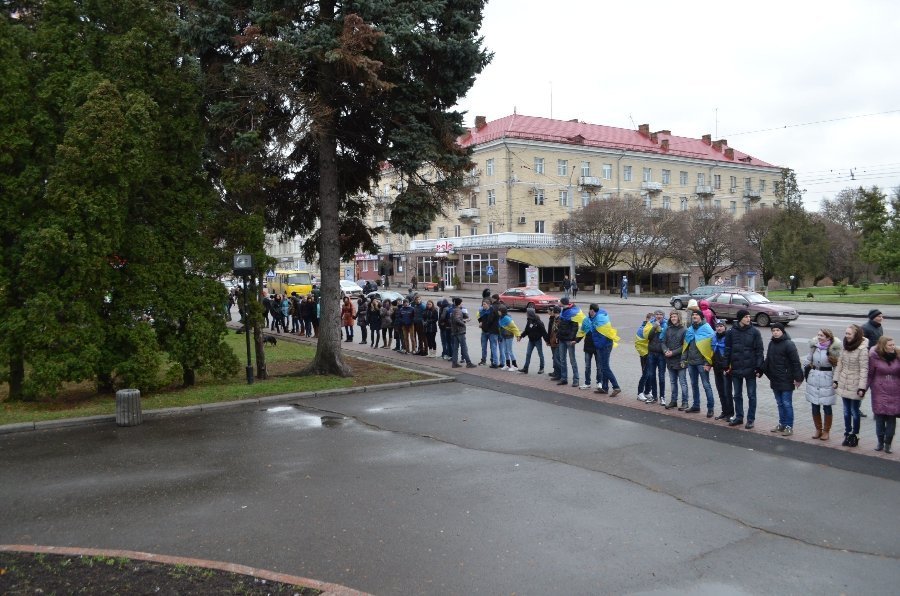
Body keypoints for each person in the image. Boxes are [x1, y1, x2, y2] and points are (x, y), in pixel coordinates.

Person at [762, 323, 804, 436]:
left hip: (786, 379)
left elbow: (796, 362)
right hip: (775, 379)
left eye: (777, 330)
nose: (775, 332)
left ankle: (789, 426)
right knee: (779, 403)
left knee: (786, 403)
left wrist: (798, 378)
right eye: (773, 330)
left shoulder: (789, 344)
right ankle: (782, 424)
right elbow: (768, 360)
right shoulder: (771, 343)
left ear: (782, 331)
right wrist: (762, 370)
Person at [727, 309, 765, 429]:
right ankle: (739, 417)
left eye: (749, 316)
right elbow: (727, 350)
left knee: (751, 395)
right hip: (736, 368)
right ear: (740, 318)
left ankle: (750, 419)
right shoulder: (731, 332)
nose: (748, 319)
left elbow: (759, 351)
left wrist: (759, 368)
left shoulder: (755, 332)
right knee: (737, 395)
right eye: (746, 317)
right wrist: (725, 365)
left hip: (750, 369)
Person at [835, 325, 870, 447]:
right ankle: (847, 433)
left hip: (855, 384)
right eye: (846, 333)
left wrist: (862, 387)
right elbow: (840, 364)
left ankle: (855, 435)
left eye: (849, 334)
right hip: (844, 382)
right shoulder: (845, 346)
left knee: (854, 411)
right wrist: (836, 380)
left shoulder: (862, 349)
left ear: (856, 335)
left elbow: (864, 369)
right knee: (846, 411)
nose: (847, 336)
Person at [803, 329, 841, 440]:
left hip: (827, 378)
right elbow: (808, 360)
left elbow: (837, 366)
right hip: (814, 378)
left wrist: (835, 380)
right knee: (814, 405)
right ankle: (818, 429)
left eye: (822, 335)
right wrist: (801, 373)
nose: (819, 337)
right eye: (818, 335)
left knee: (827, 406)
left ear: (828, 337)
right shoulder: (814, 347)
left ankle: (826, 431)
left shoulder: (833, 349)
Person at [867, 336, 899, 453]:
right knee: (879, 417)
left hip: (895, 391)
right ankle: (880, 442)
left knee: (891, 418)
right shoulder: (874, 357)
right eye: (890, 345)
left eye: (893, 344)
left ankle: (888, 443)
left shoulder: (898, 356)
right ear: (883, 346)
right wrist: (863, 388)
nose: (893, 347)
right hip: (879, 391)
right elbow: (870, 374)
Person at [681, 310, 716, 416]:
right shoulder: (690, 329)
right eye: (693, 315)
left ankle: (710, 408)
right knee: (694, 385)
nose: (694, 316)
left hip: (702, 363)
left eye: (696, 315)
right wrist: (683, 359)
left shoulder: (707, 329)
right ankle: (696, 406)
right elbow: (686, 345)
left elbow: (711, 347)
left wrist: (707, 363)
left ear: (701, 317)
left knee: (706, 385)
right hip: (691, 362)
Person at [585, 304, 622, 396]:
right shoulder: (599, 316)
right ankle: (605, 388)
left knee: (605, 367)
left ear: (592, 310)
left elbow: (601, 335)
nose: (589, 312)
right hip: (604, 345)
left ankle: (616, 387)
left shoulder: (599, 320)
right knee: (603, 367)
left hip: (604, 346)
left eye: (589, 310)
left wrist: (598, 346)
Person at [556, 297, 585, 388]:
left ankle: (576, 379)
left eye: (560, 301)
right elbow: (560, 326)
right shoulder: (563, 311)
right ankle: (564, 378)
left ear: (563, 303)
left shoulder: (572, 312)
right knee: (562, 359)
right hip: (562, 339)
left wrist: (573, 339)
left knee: (572, 360)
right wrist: (558, 336)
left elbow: (575, 327)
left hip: (569, 340)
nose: (558, 302)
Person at [639, 311, 667, 404]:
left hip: (661, 355)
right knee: (652, 375)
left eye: (661, 315)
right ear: (655, 316)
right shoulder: (650, 324)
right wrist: (654, 327)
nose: (659, 316)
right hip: (651, 353)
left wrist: (660, 328)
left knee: (661, 376)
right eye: (657, 315)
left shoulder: (666, 325)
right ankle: (654, 397)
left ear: (663, 316)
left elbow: (666, 338)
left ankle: (662, 397)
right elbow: (648, 337)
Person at [663, 310, 688, 409]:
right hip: (670, 360)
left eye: (675, 316)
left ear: (679, 318)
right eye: (672, 316)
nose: (673, 318)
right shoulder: (668, 329)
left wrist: (672, 353)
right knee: (673, 382)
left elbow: (684, 346)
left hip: (680, 359)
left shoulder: (684, 330)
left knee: (683, 382)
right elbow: (663, 342)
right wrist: (665, 350)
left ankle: (685, 402)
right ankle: (673, 401)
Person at [710, 320, 734, 421]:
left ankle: (730, 413)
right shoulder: (714, 337)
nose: (719, 328)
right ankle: (724, 412)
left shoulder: (728, 337)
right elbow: (711, 351)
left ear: (725, 327)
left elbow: (731, 353)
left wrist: (728, 367)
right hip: (717, 367)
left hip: (726, 369)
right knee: (720, 391)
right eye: (717, 326)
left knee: (727, 392)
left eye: (721, 326)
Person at [518, 306, 547, 374]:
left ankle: (541, 368)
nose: (526, 313)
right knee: (528, 354)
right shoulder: (529, 321)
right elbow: (526, 330)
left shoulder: (539, 322)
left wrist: (547, 341)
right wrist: (521, 336)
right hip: (531, 340)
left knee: (540, 354)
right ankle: (525, 368)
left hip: (537, 340)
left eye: (527, 312)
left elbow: (544, 332)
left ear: (530, 313)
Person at [449, 297, 477, 368]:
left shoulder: (454, 310)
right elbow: (457, 319)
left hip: (455, 331)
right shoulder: (458, 310)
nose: (462, 304)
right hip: (460, 331)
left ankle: (454, 363)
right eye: (461, 303)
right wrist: (463, 323)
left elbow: (455, 319)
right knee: (464, 348)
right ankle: (468, 363)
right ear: (459, 304)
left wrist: (463, 320)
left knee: (455, 348)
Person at [497, 305, 521, 370]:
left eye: (499, 311)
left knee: (509, 351)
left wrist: (518, 335)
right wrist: (500, 337)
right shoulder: (500, 318)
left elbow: (514, 327)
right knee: (505, 351)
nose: (498, 312)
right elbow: (500, 328)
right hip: (504, 336)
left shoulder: (507, 319)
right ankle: (508, 365)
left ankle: (515, 366)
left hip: (509, 336)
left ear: (502, 311)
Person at [476, 299, 497, 366]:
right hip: (484, 331)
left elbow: (493, 321)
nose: (483, 305)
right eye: (483, 304)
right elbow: (480, 319)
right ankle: (483, 360)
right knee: (483, 347)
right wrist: (480, 322)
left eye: (484, 304)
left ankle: (493, 361)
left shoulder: (492, 311)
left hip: (491, 332)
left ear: (489, 304)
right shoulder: (482, 311)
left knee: (492, 347)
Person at [547, 306, 563, 380]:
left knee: (557, 358)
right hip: (553, 341)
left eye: (553, 310)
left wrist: (556, 339)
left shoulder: (560, 320)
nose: (551, 311)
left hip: (557, 342)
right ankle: (556, 373)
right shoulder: (554, 319)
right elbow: (552, 331)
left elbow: (558, 331)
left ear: (555, 312)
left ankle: (560, 375)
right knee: (555, 358)